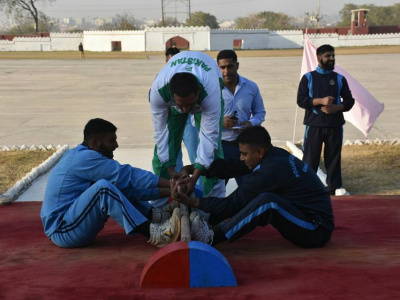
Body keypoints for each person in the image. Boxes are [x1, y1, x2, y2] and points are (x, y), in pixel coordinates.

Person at [172, 126, 334, 248]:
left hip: (316, 230)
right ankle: (209, 219)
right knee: (256, 194)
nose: (241, 158)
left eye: (244, 154)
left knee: (267, 202)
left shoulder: (271, 170)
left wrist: (191, 202)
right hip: (304, 216)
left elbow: (231, 205)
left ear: (259, 152)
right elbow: (231, 168)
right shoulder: (272, 155)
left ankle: (212, 237)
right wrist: (192, 170)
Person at [40, 118, 182, 248]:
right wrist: (172, 183)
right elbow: (128, 175)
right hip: (63, 231)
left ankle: (156, 217)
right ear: (95, 143)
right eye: (111, 141)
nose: (116, 145)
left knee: (116, 185)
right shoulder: (83, 158)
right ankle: (156, 235)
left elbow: (128, 187)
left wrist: (171, 190)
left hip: (71, 225)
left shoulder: (84, 155)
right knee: (104, 189)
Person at [150, 51, 225, 199]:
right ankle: (161, 206)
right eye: (181, 105)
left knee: (214, 154)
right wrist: (169, 167)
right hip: (178, 96)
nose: (186, 111)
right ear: (171, 96)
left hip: (209, 81)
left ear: (198, 92)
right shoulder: (159, 92)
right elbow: (161, 132)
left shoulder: (210, 92)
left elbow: (209, 138)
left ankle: (213, 203)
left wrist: (195, 176)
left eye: (189, 105)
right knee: (162, 155)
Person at [297, 44, 355, 195]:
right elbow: (301, 100)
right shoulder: (308, 78)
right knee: (310, 160)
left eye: (333, 56)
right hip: (314, 126)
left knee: (333, 160)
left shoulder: (339, 78)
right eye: (328, 56)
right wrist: (320, 101)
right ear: (319, 58)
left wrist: (336, 108)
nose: (331, 59)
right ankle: (306, 191)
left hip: (334, 126)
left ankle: (333, 191)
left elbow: (349, 101)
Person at [217, 49, 266, 186]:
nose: (226, 71)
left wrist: (250, 124)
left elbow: (260, 113)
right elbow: (196, 119)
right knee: (216, 190)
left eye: (230, 66)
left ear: (237, 65)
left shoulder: (250, 87)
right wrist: (220, 122)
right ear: (218, 67)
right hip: (220, 147)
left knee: (249, 188)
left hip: (244, 147)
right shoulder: (212, 89)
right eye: (222, 67)